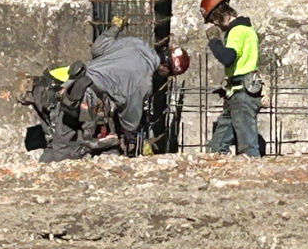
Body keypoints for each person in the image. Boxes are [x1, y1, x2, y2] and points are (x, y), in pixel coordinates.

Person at [26, 18, 189, 163]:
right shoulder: (144, 82)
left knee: (60, 137)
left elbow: (97, 48)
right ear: (165, 69)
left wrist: (114, 28)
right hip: (87, 101)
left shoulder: (134, 43)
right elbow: (130, 120)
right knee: (65, 151)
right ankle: (41, 177)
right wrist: (136, 138)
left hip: (70, 85)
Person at [200, 0, 262, 157]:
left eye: (213, 20)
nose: (214, 24)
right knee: (217, 144)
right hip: (237, 90)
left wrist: (214, 41)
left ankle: (251, 166)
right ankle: (216, 157)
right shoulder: (247, 29)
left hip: (242, 92)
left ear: (220, 14)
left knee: (247, 146)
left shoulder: (237, 31)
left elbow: (228, 57)